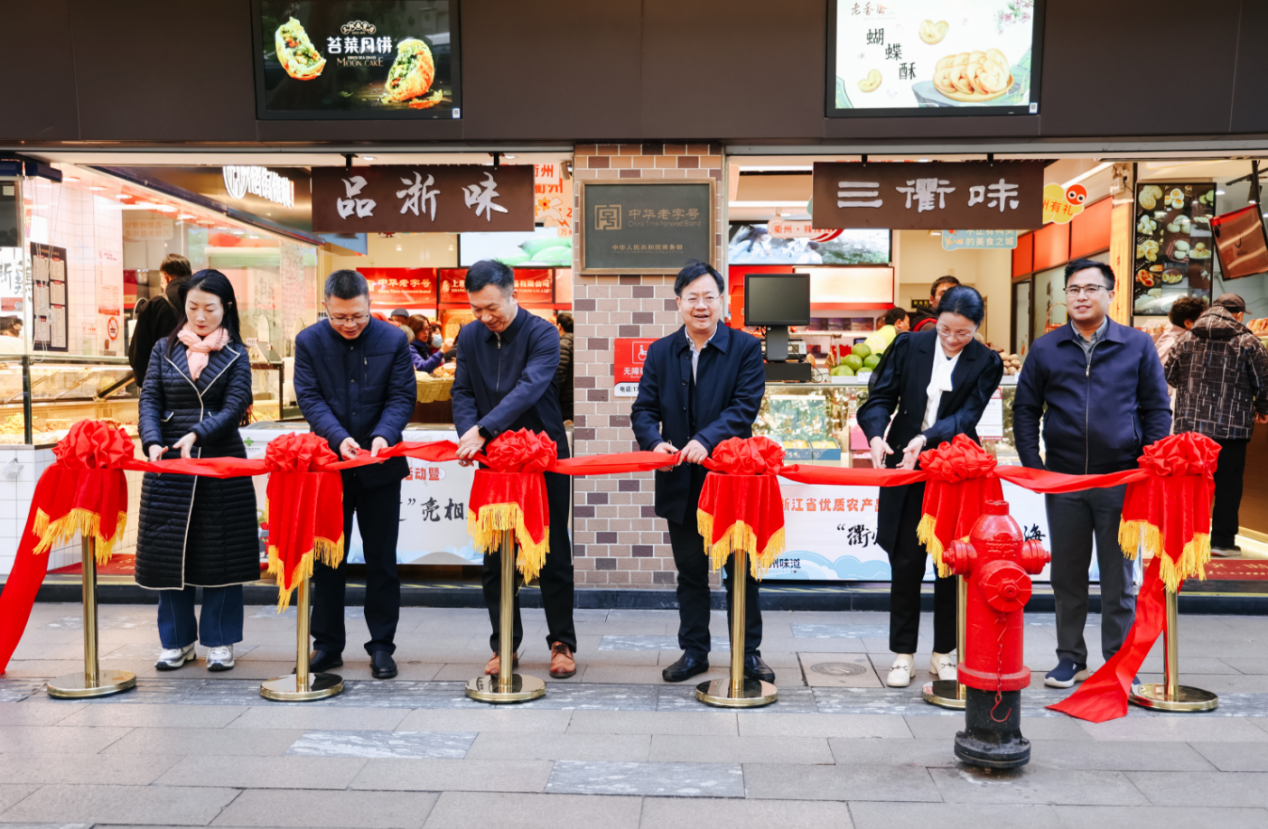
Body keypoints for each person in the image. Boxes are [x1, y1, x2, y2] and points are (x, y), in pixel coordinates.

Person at [1014, 259, 1171, 688]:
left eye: (1090, 289)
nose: (1081, 296)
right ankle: (1070, 657)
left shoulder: (1137, 345)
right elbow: (1025, 409)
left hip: (1121, 479)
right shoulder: (1046, 348)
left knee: (1119, 576)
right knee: (1067, 574)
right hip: (1063, 481)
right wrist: (1035, 464)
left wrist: (1149, 462)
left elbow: (1157, 408)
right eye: (1073, 289)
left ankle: (1118, 660)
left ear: (1110, 294)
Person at [630, 261, 772, 684]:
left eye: (710, 296)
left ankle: (748, 654)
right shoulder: (660, 351)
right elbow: (643, 409)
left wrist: (705, 440)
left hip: (731, 482)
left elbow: (743, 408)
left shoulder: (745, 348)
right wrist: (655, 443)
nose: (701, 305)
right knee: (690, 573)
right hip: (680, 481)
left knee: (741, 571)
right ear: (679, 303)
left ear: (723, 301)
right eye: (692, 297)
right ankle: (695, 652)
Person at [857, 287, 1003, 687]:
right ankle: (903, 654)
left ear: (976, 329)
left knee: (951, 563)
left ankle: (944, 652)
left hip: (955, 469)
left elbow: (967, 415)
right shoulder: (909, 345)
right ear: (935, 318)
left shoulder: (987, 361)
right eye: (946, 330)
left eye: (963, 333)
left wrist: (929, 437)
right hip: (903, 463)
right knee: (905, 561)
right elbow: (878, 398)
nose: (953, 340)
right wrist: (875, 435)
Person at [452, 260, 578, 680]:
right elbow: (463, 390)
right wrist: (469, 434)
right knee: (495, 556)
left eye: (492, 308)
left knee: (552, 552)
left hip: (544, 459)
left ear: (512, 295)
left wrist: (483, 430)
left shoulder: (543, 333)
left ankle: (562, 643)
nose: (485, 318)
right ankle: (504, 642)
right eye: (476, 310)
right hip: (495, 464)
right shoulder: (470, 337)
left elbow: (530, 387)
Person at [293, 270, 417, 680]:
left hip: (380, 466)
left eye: (358, 316)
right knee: (329, 559)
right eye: (341, 317)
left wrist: (384, 435)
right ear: (325, 306)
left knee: (382, 559)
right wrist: (338, 436)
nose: (350, 325)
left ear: (369, 304)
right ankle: (327, 645)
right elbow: (309, 398)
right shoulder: (309, 341)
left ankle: (382, 646)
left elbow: (402, 396)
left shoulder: (393, 339)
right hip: (330, 467)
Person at [136, 270, 257, 673]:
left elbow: (234, 406)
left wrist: (196, 433)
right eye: (192, 308)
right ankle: (176, 641)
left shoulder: (238, 354)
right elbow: (149, 397)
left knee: (220, 555)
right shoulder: (161, 349)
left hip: (221, 462)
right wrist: (152, 440)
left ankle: (220, 642)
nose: (200, 316)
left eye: (209, 308)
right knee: (170, 555)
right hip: (169, 463)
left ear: (226, 308)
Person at [1165, 293, 1268, 557]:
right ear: (1239, 314)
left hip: (1190, 428)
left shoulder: (1186, 339)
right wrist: (1262, 408)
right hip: (1232, 428)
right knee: (1228, 484)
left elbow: (1169, 375)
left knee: (1190, 484)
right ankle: (1222, 541)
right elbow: (1264, 381)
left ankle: (1185, 540)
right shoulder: (1249, 341)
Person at [129, 254, 192, 387]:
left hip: (166, 394)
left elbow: (138, 357)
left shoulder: (152, 307)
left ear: (166, 277)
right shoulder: (208, 304)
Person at [1155, 295, 1205, 369]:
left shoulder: (1181, 339)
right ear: (1188, 323)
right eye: (1202, 319)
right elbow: (1159, 373)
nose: (1206, 323)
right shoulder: (1172, 343)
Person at [555, 312, 575, 422]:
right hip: (574, 399)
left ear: (560, 326)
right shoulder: (577, 342)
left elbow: (559, 374)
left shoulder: (563, 344)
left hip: (565, 402)